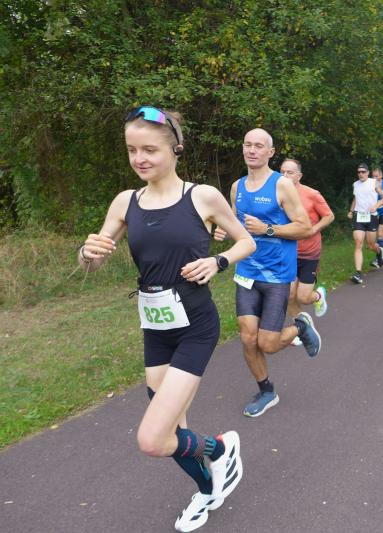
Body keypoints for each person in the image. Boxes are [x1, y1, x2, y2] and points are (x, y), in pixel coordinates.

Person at [79, 106, 256, 531]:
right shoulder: (125, 202)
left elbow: (246, 241)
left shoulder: (202, 197)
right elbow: (92, 262)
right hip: (156, 327)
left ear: (175, 149)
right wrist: (87, 253)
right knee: (176, 428)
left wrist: (218, 262)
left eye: (149, 150)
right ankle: (208, 490)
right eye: (131, 150)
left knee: (153, 439)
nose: (139, 158)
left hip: (195, 325)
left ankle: (220, 450)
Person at [214, 129, 320, 419]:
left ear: (270, 152)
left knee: (268, 344)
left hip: (277, 275)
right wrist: (225, 231)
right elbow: (236, 223)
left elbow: (304, 227)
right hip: (246, 272)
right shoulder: (237, 186)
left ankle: (300, 327)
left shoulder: (282, 185)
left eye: (259, 146)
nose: (252, 150)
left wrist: (268, 229)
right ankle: (266, 391)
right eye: (248, 144)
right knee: (248, 339)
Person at [281, 158, 335, 329]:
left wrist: (313, 230)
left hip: (309, 253)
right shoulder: (277, 195)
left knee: (303, 297)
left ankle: (318, 296)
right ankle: (302, 327)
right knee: (289, 295)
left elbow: (329, 216)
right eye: (282, 172)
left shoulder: (312, 194)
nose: (285, 175)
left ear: (299, 176)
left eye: (290, 172)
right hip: (287, 252)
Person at [347, 163, 383, 284]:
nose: (361, 174)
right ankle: (358, 274)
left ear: (368, 172)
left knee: (371, 245)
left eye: (363, 172)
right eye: (359, 172)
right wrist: (351, 211)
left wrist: (376, 205)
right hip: (359, 216)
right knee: (358, 243)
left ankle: (379, 252)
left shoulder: (374, 183)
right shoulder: (355, 184)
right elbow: (356, 198)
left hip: (371, 217)